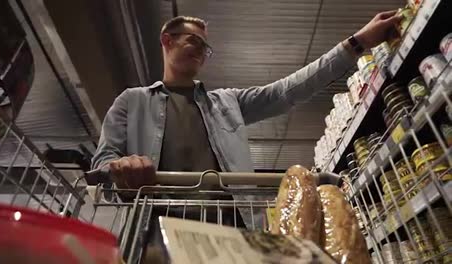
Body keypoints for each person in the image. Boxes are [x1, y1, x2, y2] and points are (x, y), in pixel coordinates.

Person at [91, 12, 401, 223]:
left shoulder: (228, 102)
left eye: (205, 47)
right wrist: (120, 167)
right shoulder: (131, 102)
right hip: (155, 234)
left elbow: (286, 92)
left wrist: (356, 43)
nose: (200, 51)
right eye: (193, 41)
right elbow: (102, 164)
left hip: (231, 233)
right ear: (167, 40)